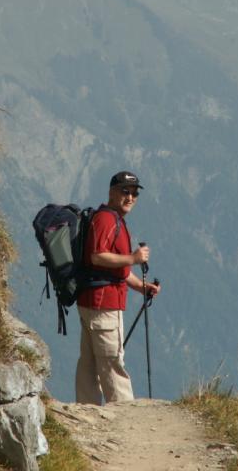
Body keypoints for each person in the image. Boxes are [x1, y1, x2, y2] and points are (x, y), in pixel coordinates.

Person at [75, 171, 161, 405]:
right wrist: (134, 258)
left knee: (89, 363)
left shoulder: (111, 218)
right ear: (112, 192)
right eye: (125, 191)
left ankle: (87, 410)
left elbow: (115, 268)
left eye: (134, 193)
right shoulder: (107, 220)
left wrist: (141, 287)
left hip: (93, 300)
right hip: (104, 304)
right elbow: (98, 257)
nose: (130, 197)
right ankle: (125, 414)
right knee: (112, 361)